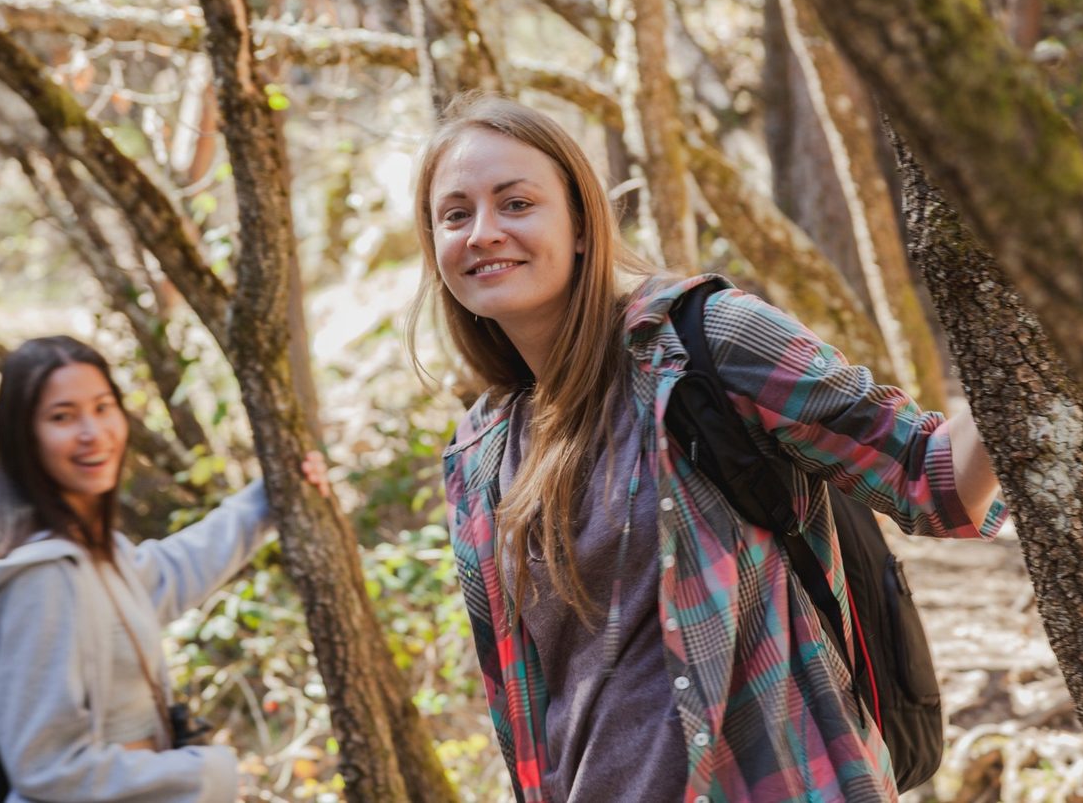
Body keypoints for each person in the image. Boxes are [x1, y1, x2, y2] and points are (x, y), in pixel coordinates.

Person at [408, 98, 1005, 803]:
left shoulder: (703, 342)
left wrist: (1028, 329)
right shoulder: (478, 455)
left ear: (578, 225)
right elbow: (531, 713)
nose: (483, 233)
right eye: (455, 214)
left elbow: (934, 480)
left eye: (516, 203)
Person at [0, 335, 330, 803]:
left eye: (102, 407)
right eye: (63, 417)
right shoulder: (41, 578)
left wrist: (269, 499)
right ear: (22, 435)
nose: (92, 432)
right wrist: (203, 776)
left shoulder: (87, 551)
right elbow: (48, 767)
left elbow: (167, 576)